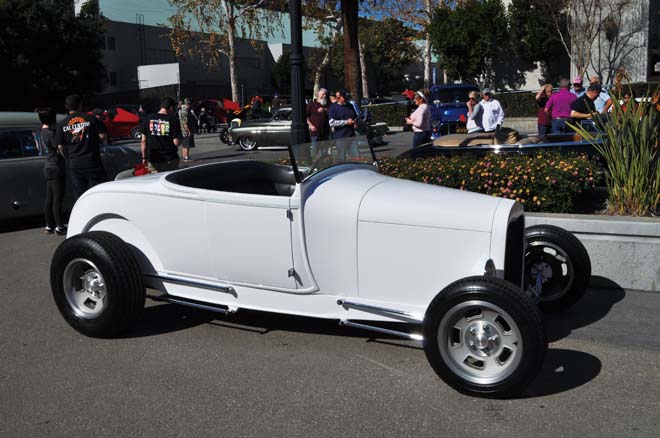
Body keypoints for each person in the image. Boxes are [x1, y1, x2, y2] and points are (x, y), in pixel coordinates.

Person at [55, 94, 107, 200]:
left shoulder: (62, 124)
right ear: (80, 105)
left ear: (67, 107)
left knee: (81, 195)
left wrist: (69, 159)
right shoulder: (91, 119)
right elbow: (103, 136)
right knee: (100, 191)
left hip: (74, 163)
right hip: (92, 161)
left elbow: (60, 147)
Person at [39, 107, 66, 235]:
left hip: (48, 166)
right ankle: (59, 226)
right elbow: (58, 147)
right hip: (56, 166)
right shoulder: (52, 132)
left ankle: (49, 225)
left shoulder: (43, 131)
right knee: (57, 198)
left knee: (49, 198)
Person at [141, 97, 182, 173]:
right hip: (170, 158)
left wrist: (144, 158)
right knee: (169, 182)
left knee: (155, 181)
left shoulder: (148, 119)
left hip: (153, 159)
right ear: (171, 107)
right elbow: (176, 142)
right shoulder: (173, 119)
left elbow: (143, 141)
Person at [329, 90, 357, 156]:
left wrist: (355, 121)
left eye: (347, 98)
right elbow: (331, 122)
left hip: (352, 137)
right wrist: (346, 122)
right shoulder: (333, 108)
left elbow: (355, 116)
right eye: (345, 98)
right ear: (339, 97)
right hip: (341, 138)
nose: (346, 100)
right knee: (342, 158)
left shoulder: (350, 106)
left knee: (356, 157)